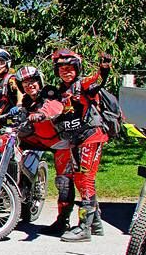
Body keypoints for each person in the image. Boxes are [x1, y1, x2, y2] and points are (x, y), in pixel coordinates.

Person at [43, 49, 112, 241]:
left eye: (70, 68)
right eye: (62, 68)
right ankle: (93, 223)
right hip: (74, 140)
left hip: (91, 137)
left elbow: (97, 80)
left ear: (77, 69)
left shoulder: (83, 84)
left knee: (84, 179)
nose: (66, 71)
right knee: (69, 180)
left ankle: (84, 228)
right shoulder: (60, 91)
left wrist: (104, 69)